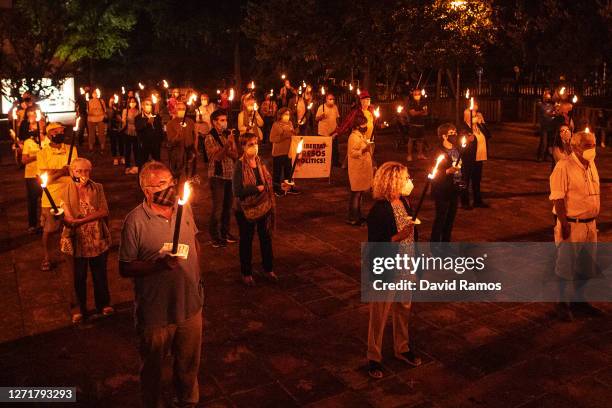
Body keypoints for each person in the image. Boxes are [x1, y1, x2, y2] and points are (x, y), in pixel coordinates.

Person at [119, 161, 203, 408]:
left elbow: (195, 242)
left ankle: (187, 400)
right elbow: (125, 267)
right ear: (147, 190)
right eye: (163, 184)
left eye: (171, 182)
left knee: (188, 364)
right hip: (156, 314)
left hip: (190, 307)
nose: (171, 188)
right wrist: (158, 265)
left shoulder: (183, 208)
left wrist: (198, 279)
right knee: (153, 369)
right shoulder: (134, 221)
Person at [366, 161, 422, 379]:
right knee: (379, 314)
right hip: (388, 267)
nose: (409, 182)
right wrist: (398, 237)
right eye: (405, 178)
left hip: (406, 264)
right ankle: (373, 356)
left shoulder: (405, 203)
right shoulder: (379, 211)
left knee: (403, 309)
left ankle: (402, 347)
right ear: (393, 181)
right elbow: (376, 244)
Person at [549, 130, 602, 321]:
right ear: (574, 147)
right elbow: (558, 197)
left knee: (586, 266)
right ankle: (562, 304)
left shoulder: (591, 165)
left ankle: (580, 300)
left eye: (593, 145)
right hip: (572, 224)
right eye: (587, 146)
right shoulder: (564, 166)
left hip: (590, 225)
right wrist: (563, 223)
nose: (591, 149)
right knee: (566, 266)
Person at [60, 158, 113, 324]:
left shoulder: (97, 188)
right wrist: (80, 220)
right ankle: (78, 309)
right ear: (72, 172)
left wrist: (81, 221)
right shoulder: (66, 190)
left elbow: (104, 211)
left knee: (99, 274)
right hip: (77, 240)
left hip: (97, 238)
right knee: (78, 276)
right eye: (79, 171)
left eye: (86, 171)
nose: (83, 174)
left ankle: (103, 304)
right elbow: (68, 218)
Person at [233, 133, 286, 286]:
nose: (254, 147)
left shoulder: (260, 162)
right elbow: (237, 191)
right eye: (250, 144)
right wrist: (255, 189)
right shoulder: (239, 166)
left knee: (266, 238)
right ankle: (246, 272)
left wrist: (279, 185)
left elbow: (267, 182)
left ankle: (268, 268)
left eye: (255, 143)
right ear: (243, 146)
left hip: (264, 206)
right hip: (245, 210)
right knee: (246, 240)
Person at [37, 123, 78, 271]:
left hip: (69, 194)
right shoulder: (42, 153)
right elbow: (41, 177)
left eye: (62, 131)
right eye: (56, 131)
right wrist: (61, 172)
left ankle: (73, 252)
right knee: (49, 229)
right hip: (51, 197)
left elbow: (75, 171)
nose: (60, 133)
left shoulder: (71, 149)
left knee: (72, 227)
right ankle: (47, 256)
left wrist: (52, 172)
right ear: (49, 135)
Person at [205, 110, 239, 248]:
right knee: (218, 208)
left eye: (225, 120)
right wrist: (227, 146)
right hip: (217, 176)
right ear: (214, 122)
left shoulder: (227, 135)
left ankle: (225, 232)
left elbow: (235, 154)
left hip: (229, 175)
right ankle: (214, 235)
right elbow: (217, 157)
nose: (224, 123)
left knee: (228, 207)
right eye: (221, 120)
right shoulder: (209, 137)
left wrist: (229, 145)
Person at [430, 123, 462, 242]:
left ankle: (446, 241)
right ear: (444, 136)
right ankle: (435, 244)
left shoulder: (456, 149)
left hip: (454, 188)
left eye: (455, 132)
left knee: (451, 217)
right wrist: (447, 171)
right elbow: (432, 171)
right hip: (442, 189)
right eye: (452, 133)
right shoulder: (437, 152)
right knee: (441, 217)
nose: (455, 135)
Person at [461, 101, 489, 209]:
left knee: (477, 180)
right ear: (467, 117)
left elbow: (488, 135)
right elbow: (461, 142)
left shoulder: (478, 126)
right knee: (466, 180)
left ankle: (477, 200)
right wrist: (467, 139)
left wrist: (482, 123)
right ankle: (465, 202)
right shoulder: (464, 128)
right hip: (468, 159)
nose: (476, 116)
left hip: (479, 158)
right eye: (473, 115)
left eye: (476, 115)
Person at [347, 111, 373, 226]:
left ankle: (358, 215)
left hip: (362, 168)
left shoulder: (361, 136)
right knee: (356, 194)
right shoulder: (353, 137)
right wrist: (363, 150)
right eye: (363, 125)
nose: (365, 127)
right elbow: (352, 153)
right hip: (356, 169)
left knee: (360, 193)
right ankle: (353, 217)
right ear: (357, 126)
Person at [21, 119, 45, 234]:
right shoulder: (28, 142)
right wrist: (37, 156)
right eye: (34, 126)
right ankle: (32, 224)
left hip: (45, 174)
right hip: (31, 175)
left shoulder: (48, 141)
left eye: (39, 125)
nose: (36, 128)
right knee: (32, 201)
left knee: (45, 201)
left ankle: (45, 223)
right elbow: (24, 160)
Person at [269, 107, 299, 196]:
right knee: (277, 172)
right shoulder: (276, 125)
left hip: (288, 152)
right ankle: (276, 188)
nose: (287, 116)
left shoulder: (290, 123)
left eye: (288, 114)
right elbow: (272, 139)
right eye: (285, 114)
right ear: (280, 115)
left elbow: (292, 134)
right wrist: (286, 135)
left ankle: (288, 187)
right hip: (278, 152)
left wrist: (294, 132)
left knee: (288, 171)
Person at [165, 101, 197, 181]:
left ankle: (189, 181)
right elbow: (170, 141)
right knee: (178, 172)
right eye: (179, 109)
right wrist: (177, 136)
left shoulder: (190, 121)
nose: (181, 110)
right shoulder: (170, 123)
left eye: (183, 109)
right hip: (177, 152)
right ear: (175, 110)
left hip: (189, 149)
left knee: (190, 169)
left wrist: (195, 148)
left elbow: (195, 135)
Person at [315, 92, 341, 167]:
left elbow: (337, 117)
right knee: (324, 149)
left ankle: (335, 162)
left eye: (333, 99)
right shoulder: (321, 107)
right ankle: (324, 162)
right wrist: (321, 116)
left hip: (333, 131)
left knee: (335, 148)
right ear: (326, 99)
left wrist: (338, 126)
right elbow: (316, 119)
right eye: (330, 99)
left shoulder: (335, 107)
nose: (332, 100)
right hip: (323, 132)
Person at [406, 89, 428, 161]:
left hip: (421, 124)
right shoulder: (411, 103)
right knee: (411, 140)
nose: (417, 95)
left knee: (420, 140)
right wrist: (421, 111)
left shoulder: (423, 102)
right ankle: (409, 155)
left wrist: (419, 112)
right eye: (415, 94)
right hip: (413, 124)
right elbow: (413, 113)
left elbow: (426, 113)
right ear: (413, 95)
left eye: (419, 94)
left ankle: (420, 154)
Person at [537, 89, 557, 162]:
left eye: (548, 98)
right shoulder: (541, 105)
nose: (547, 99)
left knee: (549, 143)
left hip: (551, 127)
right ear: (544, 98)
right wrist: (552, 114)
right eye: (546, 97)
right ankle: (540, 157)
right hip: (544, 127)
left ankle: (545, 157)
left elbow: (555, 112)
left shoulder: (552, 106)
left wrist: (556, 110)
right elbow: (545, 114)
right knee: (544, 143)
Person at [122, 97, 140, 174]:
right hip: (127, 132)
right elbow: (123, 121)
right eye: (131, 102)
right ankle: (127, 166)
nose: (132, 103)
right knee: (127, 150)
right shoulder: (125, 111)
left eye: (134, 102)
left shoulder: (138, 111)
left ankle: (137, 165)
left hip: (136, 132)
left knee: (136, 150)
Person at [195, 93, 215, 161]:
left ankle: (212, 157)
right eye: (202, 99)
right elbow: (197, 119)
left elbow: (213, 116)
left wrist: (207, 110)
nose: (204, 100)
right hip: (204, 130)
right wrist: (200, 119)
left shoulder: (211, 106)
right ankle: (206, 158)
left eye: (205, 99)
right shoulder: (199, 108)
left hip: (211, 128)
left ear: (208, 99)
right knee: (204, 145)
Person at [87, 89, 107, 153]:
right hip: (91, 119)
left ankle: (102, 148)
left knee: (101, 133)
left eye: (96, 93)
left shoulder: (101, 101)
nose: (95, 94)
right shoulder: (89, 101)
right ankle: (91, 148)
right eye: (94, 93)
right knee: (91, 134)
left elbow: (105, 109)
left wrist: (101, 113)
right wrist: (91, 112)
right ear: (92, 94)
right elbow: (87, 111)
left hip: (100, 118)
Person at [108, 95, 125, 166]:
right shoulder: (108, 110)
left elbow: (123, 118)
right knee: (113, 144)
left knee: (121, 144)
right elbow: (106, 119)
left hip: (120, 129)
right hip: (112, 129)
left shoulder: (120, 109)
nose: (112, 103)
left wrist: (121, 119)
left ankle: (122, 157)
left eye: (113, 101)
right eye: (111, 102)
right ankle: (115, 158)